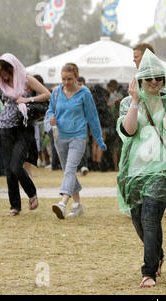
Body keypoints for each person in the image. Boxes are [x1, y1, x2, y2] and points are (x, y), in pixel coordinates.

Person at [117, 49, 166, 288]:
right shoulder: (127, 102)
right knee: (139, 220)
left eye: (158, 78)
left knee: (151, 218)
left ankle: (148, 272)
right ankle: (157, 254)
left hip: (162, 168)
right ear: (140, 79)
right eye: (148, 78)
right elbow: (129, 130)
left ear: (164, 79)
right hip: (134, 170)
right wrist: (134, 101)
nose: (153, 82)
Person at [0, 54, 51, 216]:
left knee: (16, 165)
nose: (2, 75)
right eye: (0, 71)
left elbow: (47, 94)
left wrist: (28, 99)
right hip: (5, 127)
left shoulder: (26, 79)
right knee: (9, 169)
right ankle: (15, 206)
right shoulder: (1, 80)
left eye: (5, 71)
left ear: (12, 68)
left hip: (22, 127)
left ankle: (31, 193)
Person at [45, 63, 106, 220]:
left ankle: (63, 203)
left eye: (69, 79)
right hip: (60, 137)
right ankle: (77, 205)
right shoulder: (57, 92)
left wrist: (99, 139)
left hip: (78, 136)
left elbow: (93, 117)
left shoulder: (84, 93)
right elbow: (50, 110)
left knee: (70, 169)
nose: (66, 82)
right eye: (63, 79)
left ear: (76, 78)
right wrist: (49, 122)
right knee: (68, 171)